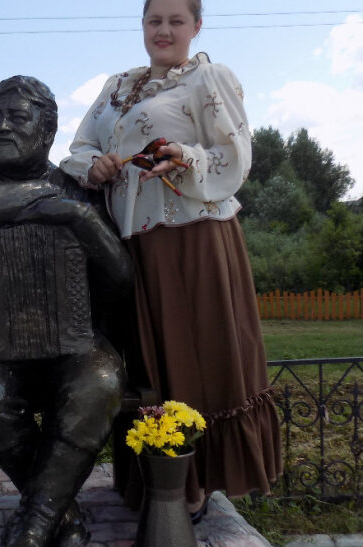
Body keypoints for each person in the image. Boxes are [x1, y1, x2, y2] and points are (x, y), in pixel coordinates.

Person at [59, 0, 282, 520]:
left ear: (196, 26)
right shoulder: (116, 87)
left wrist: (186, 156)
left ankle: (197, 482)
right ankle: (161, 475)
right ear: (142, 26)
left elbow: (236, 157)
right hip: (136, 242)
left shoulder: (209, 79)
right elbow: (78, 146)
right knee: (155, 359)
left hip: (199, 236)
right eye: (154, 20)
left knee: (201, 352)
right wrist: (96, 166)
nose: (164, 30)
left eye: (175, 21)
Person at [0, 75, 132, 547]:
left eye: (16, 118)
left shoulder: (81, 190)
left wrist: (82, 219)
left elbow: (123, 277)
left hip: (71, 351)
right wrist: (45, 200)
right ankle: (56, 517)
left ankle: (32, 527)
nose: (0, 127)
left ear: (47, 131)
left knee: (102, 381)